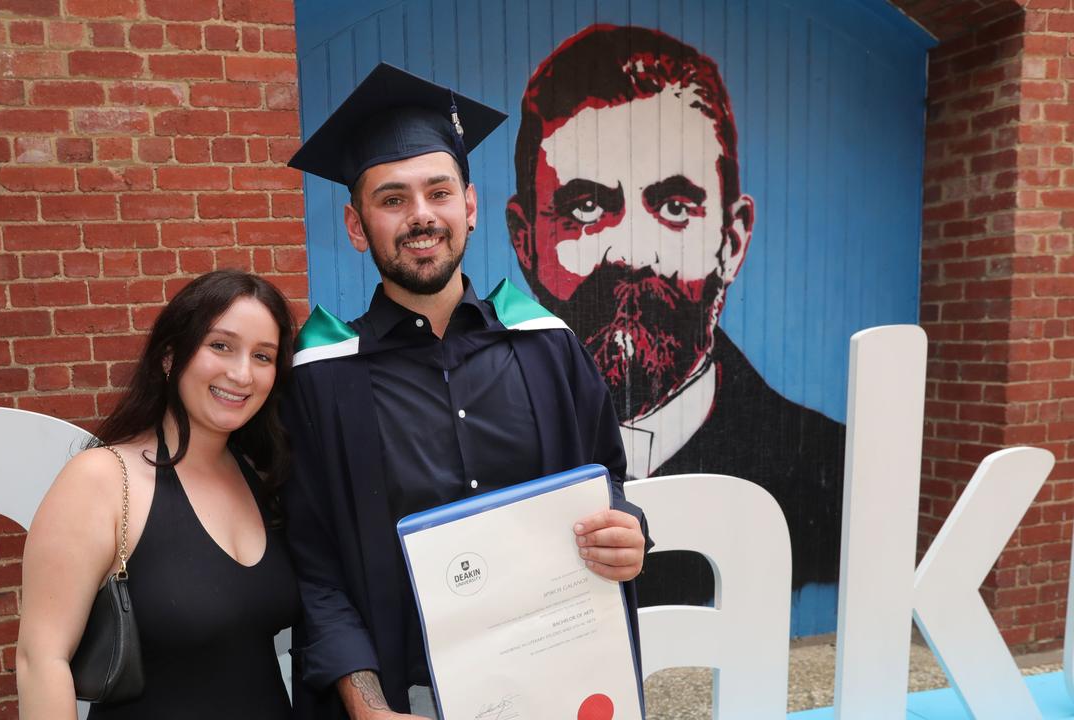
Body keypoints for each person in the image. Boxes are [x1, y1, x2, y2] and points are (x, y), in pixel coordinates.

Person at [282, 62, 649, 719]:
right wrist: (366, 705)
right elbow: (316, 569)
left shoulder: (549, 347)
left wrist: (630, 531)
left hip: (556, 685)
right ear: (356, 226)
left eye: (438, 192)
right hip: (406, 700)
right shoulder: (322, 379)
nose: (420, 216)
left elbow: (609, 481)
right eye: (392, 199)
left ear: (470, 207)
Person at [506, 24, 846, 605]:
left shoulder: (828, 475)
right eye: (585, 207)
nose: (633, 251)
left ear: (731, 241)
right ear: (525, 240)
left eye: (674, 206)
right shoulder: (484, 455)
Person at [16, 270, 300, 719]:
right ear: (170, 356)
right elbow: (41, 660)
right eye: (220, 346)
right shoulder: (103, 479)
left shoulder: (258, 475)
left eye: (263, 356)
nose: (242, 373)